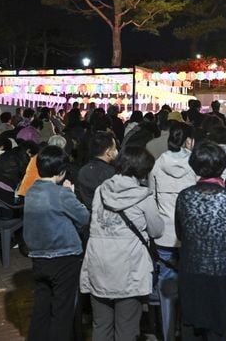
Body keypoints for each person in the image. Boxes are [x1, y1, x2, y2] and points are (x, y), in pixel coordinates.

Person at [80, 146, 163, 341]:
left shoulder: (101, 191)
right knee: (126, 327)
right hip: (128, 268)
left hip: (98, 263)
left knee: (101, 325)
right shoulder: (143, 196)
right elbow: (157, 230)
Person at [175, 140, 226, 340]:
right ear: (222, 165)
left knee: (192, 328)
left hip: (191, 272)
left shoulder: (184, 197)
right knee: (221, 330)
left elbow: (180, 234)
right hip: (223, 273)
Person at [24, 145, 90, 341]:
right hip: (64, 257)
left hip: (39, 256)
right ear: (61, 172)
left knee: (42, 305)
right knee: (62, 310)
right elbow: (84, 217)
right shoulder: (62, 194)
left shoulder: (31, 191)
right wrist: (70, 192)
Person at [149, 121, 197, 290]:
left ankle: (166, 315)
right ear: (188, 141)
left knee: (165, 279)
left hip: (165, 231)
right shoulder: (195, 165)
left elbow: (152, 196)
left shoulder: (157, 164)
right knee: (190, 279)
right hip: (189, 230)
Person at [75, 131, 118, 211]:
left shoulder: (83, 170)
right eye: (114, 148)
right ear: (108, 152)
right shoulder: (111, 173)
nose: (116, 151)